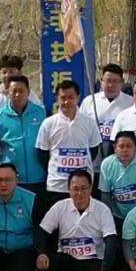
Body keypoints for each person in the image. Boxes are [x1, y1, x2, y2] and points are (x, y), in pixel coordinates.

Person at [37, 170, 119, 271]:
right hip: (67, 258)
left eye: (84, 188)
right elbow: (42, 231)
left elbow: (111, 240)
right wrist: (41, 253)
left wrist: (105, 270)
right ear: (69, 189)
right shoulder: (60, 207)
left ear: (90, 188)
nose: (79, 193)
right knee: (43, 264)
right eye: (75, 189)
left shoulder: (102, 209)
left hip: (93, 260)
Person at [0, 76, 47, 216]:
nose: (17, 95)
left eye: (21, 91)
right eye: (14, 91)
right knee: (14, 220)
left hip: (39, 179)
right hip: (11, 183)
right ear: (8, 92)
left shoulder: (42, 114)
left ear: (28, 92)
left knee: (39, 220)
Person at [35, 79, 103, 209]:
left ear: (78, 98)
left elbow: (93, 150)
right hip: (57, 185)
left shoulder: (89, 123)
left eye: (71, 97)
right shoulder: (48, 123)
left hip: (83, 186)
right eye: (63, 98)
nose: (67, 102)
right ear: (57, 99)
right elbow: (42, 153)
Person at [99, 131, 136, 229]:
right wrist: (108, 219)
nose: (125, 150)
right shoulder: (107, 164)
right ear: (115, 148)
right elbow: (105, 193)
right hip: (116, 215)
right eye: (121, 146)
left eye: (129, 146)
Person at [80, 63, 134, 152]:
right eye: (107, 81)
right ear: (101, 81)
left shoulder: (131, 103)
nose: (110, 85)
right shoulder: (89, 101)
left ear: (122, 83)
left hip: (121, 151)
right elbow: (81, 126)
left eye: (115, 81)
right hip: (94, 148)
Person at [0, 54, 42, 123]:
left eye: (11, 72)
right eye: (4, 72)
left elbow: (39, 111)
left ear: (20, 73)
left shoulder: (28, 94)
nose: (7, 75)